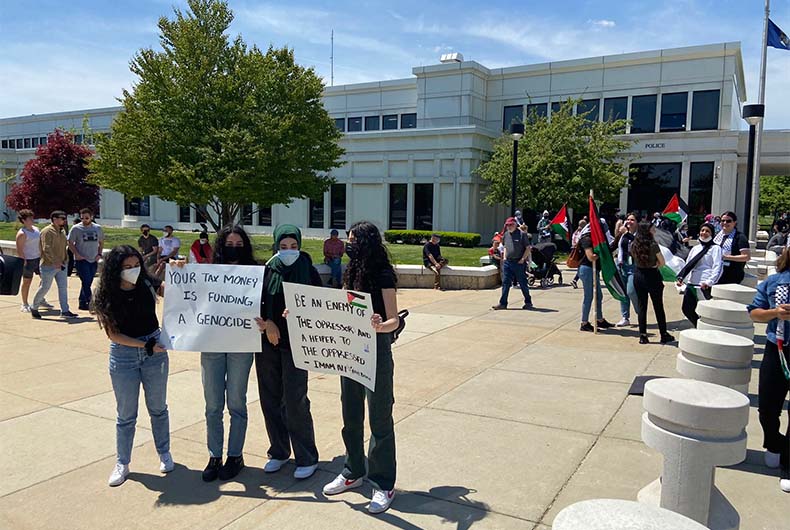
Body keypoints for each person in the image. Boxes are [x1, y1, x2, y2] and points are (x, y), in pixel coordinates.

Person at [322, 221, 400, 514]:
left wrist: (381, 326)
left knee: (379, 418)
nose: (349, 245)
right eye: (348, 240)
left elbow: (394, 318)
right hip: (350, 348)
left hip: (376, 349)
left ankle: (383, 483)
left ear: (367, 243)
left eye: (354, 240)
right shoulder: (351, 271)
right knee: (350, 414)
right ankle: (353, 470)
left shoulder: (382, 273)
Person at [91, 245, 172, 487]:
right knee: (126, 414)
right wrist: (143, 346)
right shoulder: (105, 293)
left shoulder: (147, 283)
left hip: (154, 351)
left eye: (136, 265)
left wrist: (179, 270)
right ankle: (122, 462)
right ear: (115, 269)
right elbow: (113, 335)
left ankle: (164, 453)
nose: (133, 271)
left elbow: (175, 291)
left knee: (158, 408)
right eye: (127, 267)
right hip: (124, 355)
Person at [253, 224, 320, 480]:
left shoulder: (309, 271)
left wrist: (302, 313)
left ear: (300, 245)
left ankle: (306, 456)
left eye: (293, 246)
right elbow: (253, 302)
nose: (288, 251)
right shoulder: (268, 270)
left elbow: (321, 305)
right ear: (276, 246)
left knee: (295, 400)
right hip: (268, 342)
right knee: (270, 397)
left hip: (297, 345)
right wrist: (268, 321)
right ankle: (279, 451)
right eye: (283, 247)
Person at [199, 226, 255, 482]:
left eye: (239, 243)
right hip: (212, 345)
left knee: (236, 403)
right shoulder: (206, 272)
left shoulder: (255, 272)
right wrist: (177, 268)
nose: (234, 247)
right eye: (229, 243)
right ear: (221, 245)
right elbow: (186, 294)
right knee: (213, 405)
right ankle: (214, 456)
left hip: (241, 345)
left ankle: (235, 455)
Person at [747, 245, 790, 493]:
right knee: (767, 407)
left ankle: (788, 462)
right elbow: (754, 313)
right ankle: (775, 443)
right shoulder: (773, 282)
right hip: (777, 349)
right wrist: (776, 313)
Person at [631, 222, 674, 344]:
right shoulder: (653, 245)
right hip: (652, 275)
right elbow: (662, 262)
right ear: (648, 230)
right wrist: (656, 265)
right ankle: (663, 334)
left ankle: (643, 335)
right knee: (658, 306)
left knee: (641, 306)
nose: (654, 230)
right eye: (652, 228)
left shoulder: (634, 244)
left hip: (638, 275)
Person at [31, 211, 78, 319]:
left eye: (64, 218)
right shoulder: (47, 231)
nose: (64, 220)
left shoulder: (62, 231)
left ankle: (65, 311)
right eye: (62, 218)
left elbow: (64, 247)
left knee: (63, 288)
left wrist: (65, 260)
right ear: (54, 219)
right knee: (45, 287)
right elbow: (46, 248)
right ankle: (34, 307)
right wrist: (55, 261)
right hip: (48, 265)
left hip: (62, 265)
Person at [676, 222, 723, 327]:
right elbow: (688, 265)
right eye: (702, 230)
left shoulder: (715, 248)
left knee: (705, 311)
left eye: (707, 231)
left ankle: (706, 329)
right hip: (692, 283)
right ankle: (699, 327)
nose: (704, 233)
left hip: (704, 284)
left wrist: (710, 282)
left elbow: (717, 267)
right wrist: (682, 279)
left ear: (712, 234)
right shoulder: (695, 248)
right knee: (687, 309)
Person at [577, 222, 613, 331]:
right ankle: (584, 322)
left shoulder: (595, 239)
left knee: (598, 295)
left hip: (593, 270)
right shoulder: (586, 239)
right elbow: (590, 257)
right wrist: (600, 253)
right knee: (589, 296)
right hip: (587, 269)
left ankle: (599, 319)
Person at [492, 217, 533, 310]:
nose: (509, 226)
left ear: (515, 225)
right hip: (508, 263)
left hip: (518, 262)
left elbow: (528, 248)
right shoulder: (506, 235)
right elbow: (506, 246)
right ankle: (503, 303)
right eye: (508, 225)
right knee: (505, 283)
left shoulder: (522, 235)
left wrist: (522, 259)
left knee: (523, 283)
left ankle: (528, 302)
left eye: (511, 225)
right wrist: (505, 258)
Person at [68, 207, 104, 311]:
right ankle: (92, 302)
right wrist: (76, 254)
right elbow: (70, 243)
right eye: (82, 218)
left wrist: (99, 254)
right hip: (81, 259)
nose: (84, 220)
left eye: (87, 218)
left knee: (88, 281)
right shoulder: (76, 228)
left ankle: (82, 302)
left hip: (94, 259)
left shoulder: (97, 228)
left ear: (92, 217)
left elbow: (101, 242)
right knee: (86, 281)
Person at [615, 213, 640, 327]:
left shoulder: (639, 234)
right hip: (621, 265)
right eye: (628, 219)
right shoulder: (623, 235)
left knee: (631, 291)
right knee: (623, 292)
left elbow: (639, 244)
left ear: (637, 222)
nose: (629, 222)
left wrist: (627, 233)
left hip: (633, 267)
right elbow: (615, 245)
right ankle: (625, 317)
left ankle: (640, 313)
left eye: (632, 220)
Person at [15, 209, 42, 313]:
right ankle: (24, 303)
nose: (32, 220)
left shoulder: (36, 229)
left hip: (38, 258)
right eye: (29, 218)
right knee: (27, 282)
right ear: (24, 220)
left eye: (32, 217)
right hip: (28, 261)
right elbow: (19, 249)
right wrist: (24, 260)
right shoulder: (22, 233)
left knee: (45, 279)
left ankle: (41, 298)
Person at [714, 211, 750, 285]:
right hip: (715, 271)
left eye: (728, 221)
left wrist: (726, 257)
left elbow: (746, 257)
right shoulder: (717, 236)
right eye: (722, 220)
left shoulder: (740, 237)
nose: (725, 223)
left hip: (731, 273)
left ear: (734, 223)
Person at [570, 219, 587, 289]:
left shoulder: (575, 232)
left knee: (581, 266)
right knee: (582, 266)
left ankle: (576, 279)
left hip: (575, 250)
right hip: (580, 251)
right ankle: (575, 280)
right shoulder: (582, 232)